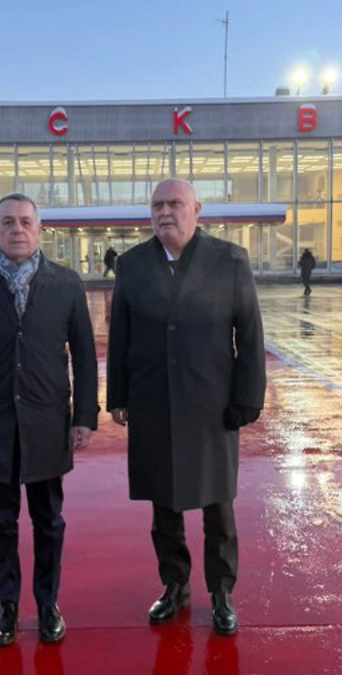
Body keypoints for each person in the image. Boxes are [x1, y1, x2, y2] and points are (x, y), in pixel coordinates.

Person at [0, 193, 99, 647]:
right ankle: (8, 605)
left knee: (49, 520)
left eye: (26, 221)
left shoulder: (65, 284)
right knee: (0, 521)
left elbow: (85, 357)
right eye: (7, 222)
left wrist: (85, 416)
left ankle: (48, 604)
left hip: (47, 421)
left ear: (40, 229)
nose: (17, 229)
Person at [107, 179, 266, 637]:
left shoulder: (229, 260)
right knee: (164, 504)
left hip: (212, 403)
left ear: (197, 209)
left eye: (175, 203)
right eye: (157, 205)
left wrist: (248, 396)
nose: (165, 212)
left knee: (218, 503)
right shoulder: (133, 264)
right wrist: (118, 395)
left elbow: (249, 333)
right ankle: (174, 585)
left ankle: (221, 592)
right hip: (153, 400)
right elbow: (121, 334)